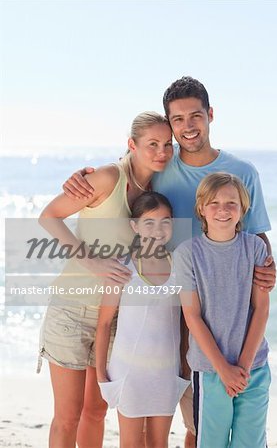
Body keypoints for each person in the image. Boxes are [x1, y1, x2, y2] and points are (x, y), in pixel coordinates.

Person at [62, 76, 276, 447]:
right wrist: (84, 178)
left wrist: (268, 266)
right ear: (170, 124)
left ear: (210, 115)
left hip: (223, 311)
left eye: (196, 115)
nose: (188, 126)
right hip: (170, 303)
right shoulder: (162, 165)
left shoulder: (243, 172)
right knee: (164, 406)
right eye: (177, 119)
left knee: (196, 419)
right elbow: (128, 171)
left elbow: (256, 236)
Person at [38, 112, 173, 448]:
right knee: (68, 416)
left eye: (167, 144)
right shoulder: (104, 179)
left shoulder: (156, 187)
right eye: (152, 144)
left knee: (96, 411)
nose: (161, 151)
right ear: (132, 145)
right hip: (71, 311)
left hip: (113, 319)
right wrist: (92, 261)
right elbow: (49, 217)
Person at [175, 172, 271, 448]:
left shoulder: (255, 247)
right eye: (214, 203)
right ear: (201, 208)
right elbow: (192, 316)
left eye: (232, 203)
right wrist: (224, 369)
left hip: (254, 367)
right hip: (209, 370)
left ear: (243, 209)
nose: (223, 210)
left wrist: (242, 367)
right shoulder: (187, 253)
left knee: (250, 443)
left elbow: (261, 309)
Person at [96, 191, 190, 448]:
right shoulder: (123, 266)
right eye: (149, 222)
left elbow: (183, 321)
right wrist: (101, 373)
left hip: (166, 373)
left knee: (159, 443)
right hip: (129, 373)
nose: (158, 230)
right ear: (135, 226)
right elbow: (104, 323)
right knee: (131, 443)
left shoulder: (180, 265)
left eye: (165, 221)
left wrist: (183, 366)